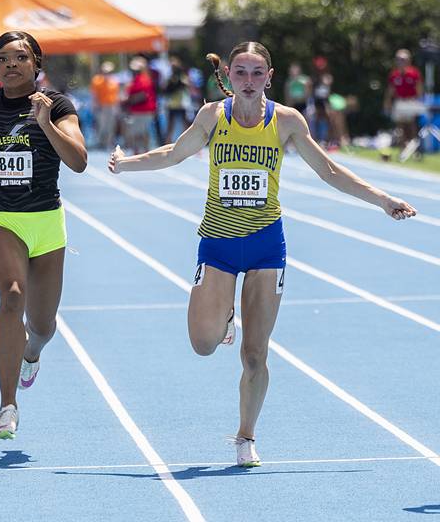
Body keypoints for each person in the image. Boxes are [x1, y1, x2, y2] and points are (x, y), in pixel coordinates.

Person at [108, 41, 416, 467]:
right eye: (241, 73)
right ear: (228, 77)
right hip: (217, 244)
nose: (249, 81)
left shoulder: (286, 121)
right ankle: (223, 316)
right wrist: (125, 164)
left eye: (257, 73)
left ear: (270, 77)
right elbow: (172, 153)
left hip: (266, 246)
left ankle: (245, 436)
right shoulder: (212, 116)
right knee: (202, 344)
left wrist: (381, 198)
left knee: (255, 353)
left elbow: (328, 170)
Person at [0, 31, 87, 440]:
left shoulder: (57, 105)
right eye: (3, 59)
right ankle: (8, 406)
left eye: (20, 58)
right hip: (0, 217)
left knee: (42, 325)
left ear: (36, 64)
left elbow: (78, 161)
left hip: (45, 223)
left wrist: (47, 124)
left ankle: (33, 351)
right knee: (11, 295)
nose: (11, 65)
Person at [384, 49, 425, 159]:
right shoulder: (394, 74)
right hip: (400, 102)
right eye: (398, 59)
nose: (400, 62)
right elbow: (390, 90)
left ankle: (415, 151)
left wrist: (419, 103)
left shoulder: (414, 73)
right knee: (400, 128)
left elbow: (419, 89)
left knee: (412, 127)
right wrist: (387, 103)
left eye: (402, 59)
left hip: (411, 101)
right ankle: (402, 150)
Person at [90, 61, 120, 149]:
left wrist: (116, 107)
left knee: (111, 125)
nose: (107, 73)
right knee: (102, 125)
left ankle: (109, 142)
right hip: (101, 106)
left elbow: (116, 95)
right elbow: (94, 94)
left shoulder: (114, 81)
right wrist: (95, 105)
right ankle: (101, 142)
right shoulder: (97, 80)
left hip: (111, 106)